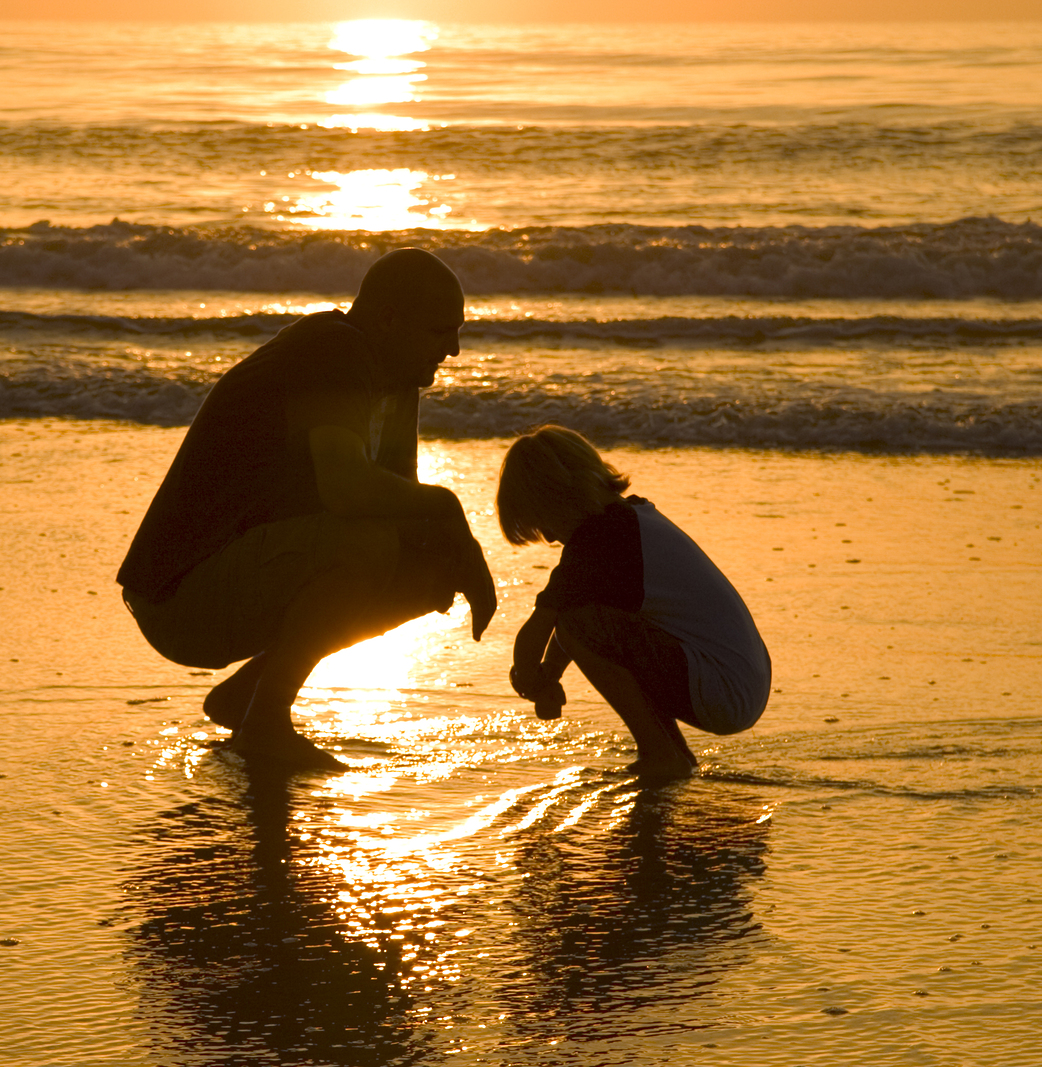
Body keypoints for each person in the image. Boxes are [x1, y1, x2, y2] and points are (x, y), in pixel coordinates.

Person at [117, 248, 496, 771]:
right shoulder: (333, 348)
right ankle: (266, 722)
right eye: (440, 331)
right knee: (367, 544)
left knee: (430, 564)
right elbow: (346, 489)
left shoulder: (395, 375)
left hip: (242, 574)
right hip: (179, 596)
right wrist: (450, 508)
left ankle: (247, 698)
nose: (453, 350)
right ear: (389, 320)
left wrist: (458, 553)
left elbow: (400, 505)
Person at [495, 426, 770, 780]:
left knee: (578, 623)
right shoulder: (631, 518)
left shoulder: (600, 539)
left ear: (558, 498)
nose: (548, 537)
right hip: (742, 680)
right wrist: (551, 672)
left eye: (542, 523)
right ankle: (674, 752)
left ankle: (660, 753)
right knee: (582, 620)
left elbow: (544, 632)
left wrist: (529, 679)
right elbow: (576, 617)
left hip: (722, 688)